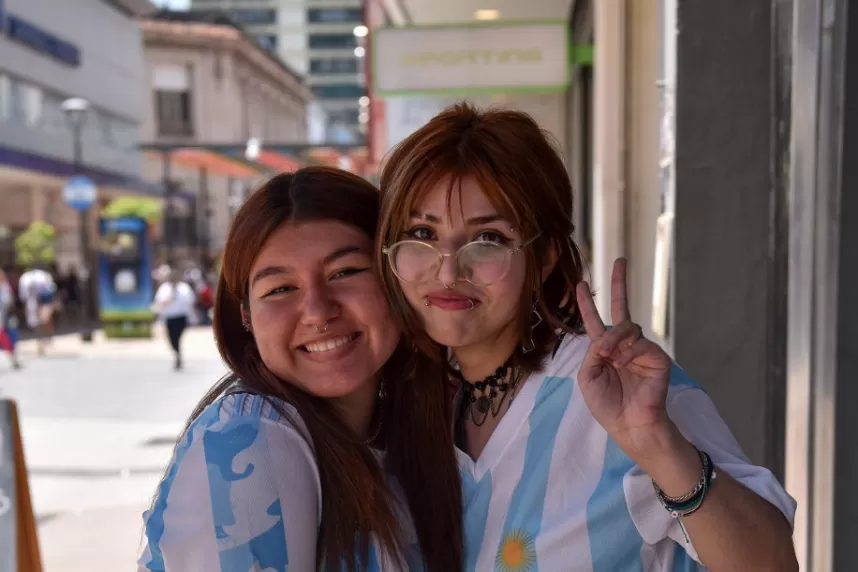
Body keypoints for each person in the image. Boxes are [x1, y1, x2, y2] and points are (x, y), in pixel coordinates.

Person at [376, 103, 798, 571]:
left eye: (489, 238)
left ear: (545, 257)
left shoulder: (617, 384)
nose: (449, 270)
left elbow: (773, 563)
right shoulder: (415, 402)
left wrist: (656, 441)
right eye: (421, 232)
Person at [139, 167, 464, 571]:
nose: (317, 312)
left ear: (397, 278)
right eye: (280, 289)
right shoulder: (252, 442)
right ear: (247, 317)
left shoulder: (412, 428)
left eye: (345, 272)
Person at [151, 269, 196, 370]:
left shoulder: (184, 288)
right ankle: (177, 353)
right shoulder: (164, 288)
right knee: (171, 339)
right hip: (170, 318)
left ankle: (178, 355)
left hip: (181, 317)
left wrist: (192, 317)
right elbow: (159, 302)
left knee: (177, 337)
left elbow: (190, 302)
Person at [18, 264, 57, 355]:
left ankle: (41, 341)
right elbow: (52, 289)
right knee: (41, 322)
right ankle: (42, 342)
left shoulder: (26, 278)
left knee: (39, 323)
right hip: (40, 303)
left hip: (35, 303)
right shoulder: (42, 276)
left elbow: (22, 295)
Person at [0, 270, 21, 369]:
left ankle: (13, 358)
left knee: (8, 337)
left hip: (5, 317)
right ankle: (13, 359)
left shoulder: (4, 287)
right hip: (4, 316)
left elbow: (8, 302)